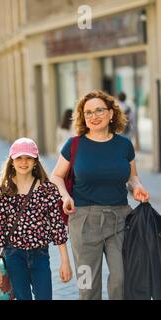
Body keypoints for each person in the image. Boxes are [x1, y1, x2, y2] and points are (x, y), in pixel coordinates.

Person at [50, 90, 150, 300]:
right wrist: (65, 196)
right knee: (87, 286)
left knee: (122, 279)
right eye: (88, 113)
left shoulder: (124, 145)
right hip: (84, 223)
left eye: (99, 110)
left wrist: (137, 187)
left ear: (111, 114)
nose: (93, 116)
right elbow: (57, 176)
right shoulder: (74, 145)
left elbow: (132, 178)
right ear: (83, 117)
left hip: (121, 220)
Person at [0, 138, 72, 300]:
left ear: (35, 161)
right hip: (14, 255)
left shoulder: (46, 190)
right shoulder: (4, 192)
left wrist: (65, 261)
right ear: (12, 161)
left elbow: (57, 227)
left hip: (40, 255)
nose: (24, 162)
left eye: (28, 158)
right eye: (19, 158)